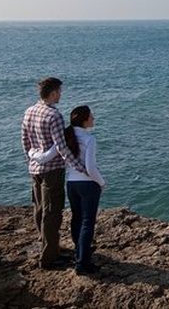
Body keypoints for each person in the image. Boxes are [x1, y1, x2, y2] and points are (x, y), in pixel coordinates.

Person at [21, 77, 88, 270]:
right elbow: (62, 147)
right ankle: (49, 258)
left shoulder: (29, 111)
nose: (60, 94)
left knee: (39, 208)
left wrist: (31, 161)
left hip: (35, 169)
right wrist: (80, 167)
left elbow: (24, 141)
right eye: (59, 91)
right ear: (52, 93)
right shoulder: (53, 116)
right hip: (52, 170)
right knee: (52, 213)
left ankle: (46, 245)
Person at [63, 105, 105, 275]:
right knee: (88, 222)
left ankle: (79, 252)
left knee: (77, 218)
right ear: (85, 120)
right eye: (91, 116)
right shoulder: (89, 139)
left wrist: (34, 156)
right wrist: (101, 183)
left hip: (71, 183)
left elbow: (53, 153)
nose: (93, 119)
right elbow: (90, 168)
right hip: (88, 184)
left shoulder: (66, 135)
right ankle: (83, 263)